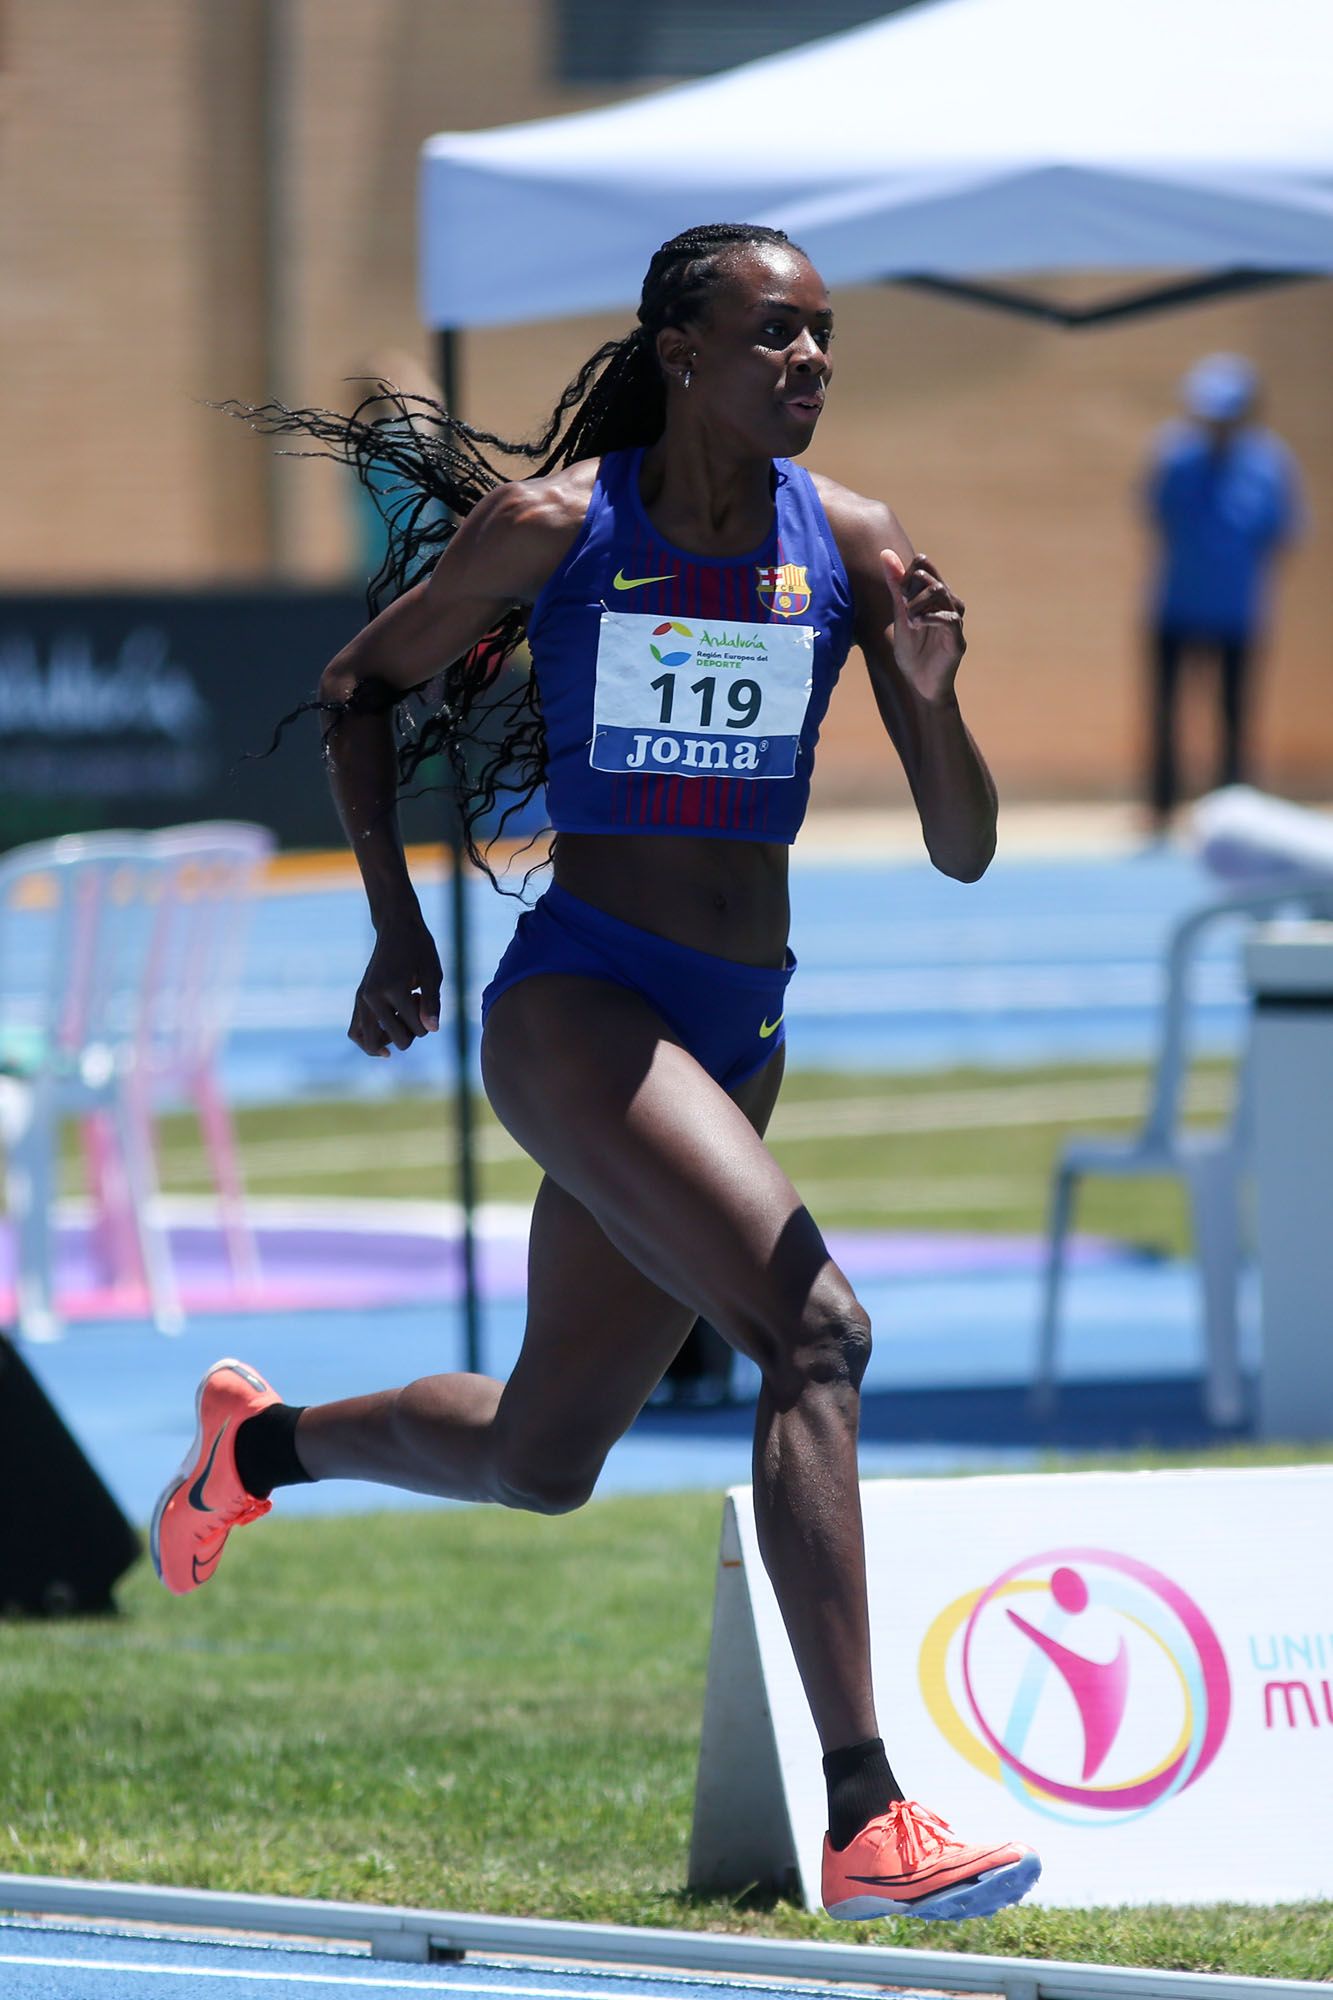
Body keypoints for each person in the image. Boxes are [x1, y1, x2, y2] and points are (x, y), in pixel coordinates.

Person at [151, 224, 1040, 1923]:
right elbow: (357, 690)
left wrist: (930, 695)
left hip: (734, 1028)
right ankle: (865, 1815)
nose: (808, 363)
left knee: (544, 1458)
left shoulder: (849, 543)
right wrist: (396, 933)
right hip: (578, 1008)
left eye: (824, 337)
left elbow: (964, 850)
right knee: (819, 1331)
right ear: (678, 348)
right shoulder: (558, 525)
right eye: (772, 334)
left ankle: (252, 1453)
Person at [1143, 352, 1304, 834]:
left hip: (1236, 610)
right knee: (1167, 710)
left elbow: (1282, 533)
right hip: (1176, 605)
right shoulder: (1174, 455)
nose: (1216, 426)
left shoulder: (1271, 463)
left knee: (1235, 714)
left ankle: (1233, 812)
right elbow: (1156, 516)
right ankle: (1163, 807)